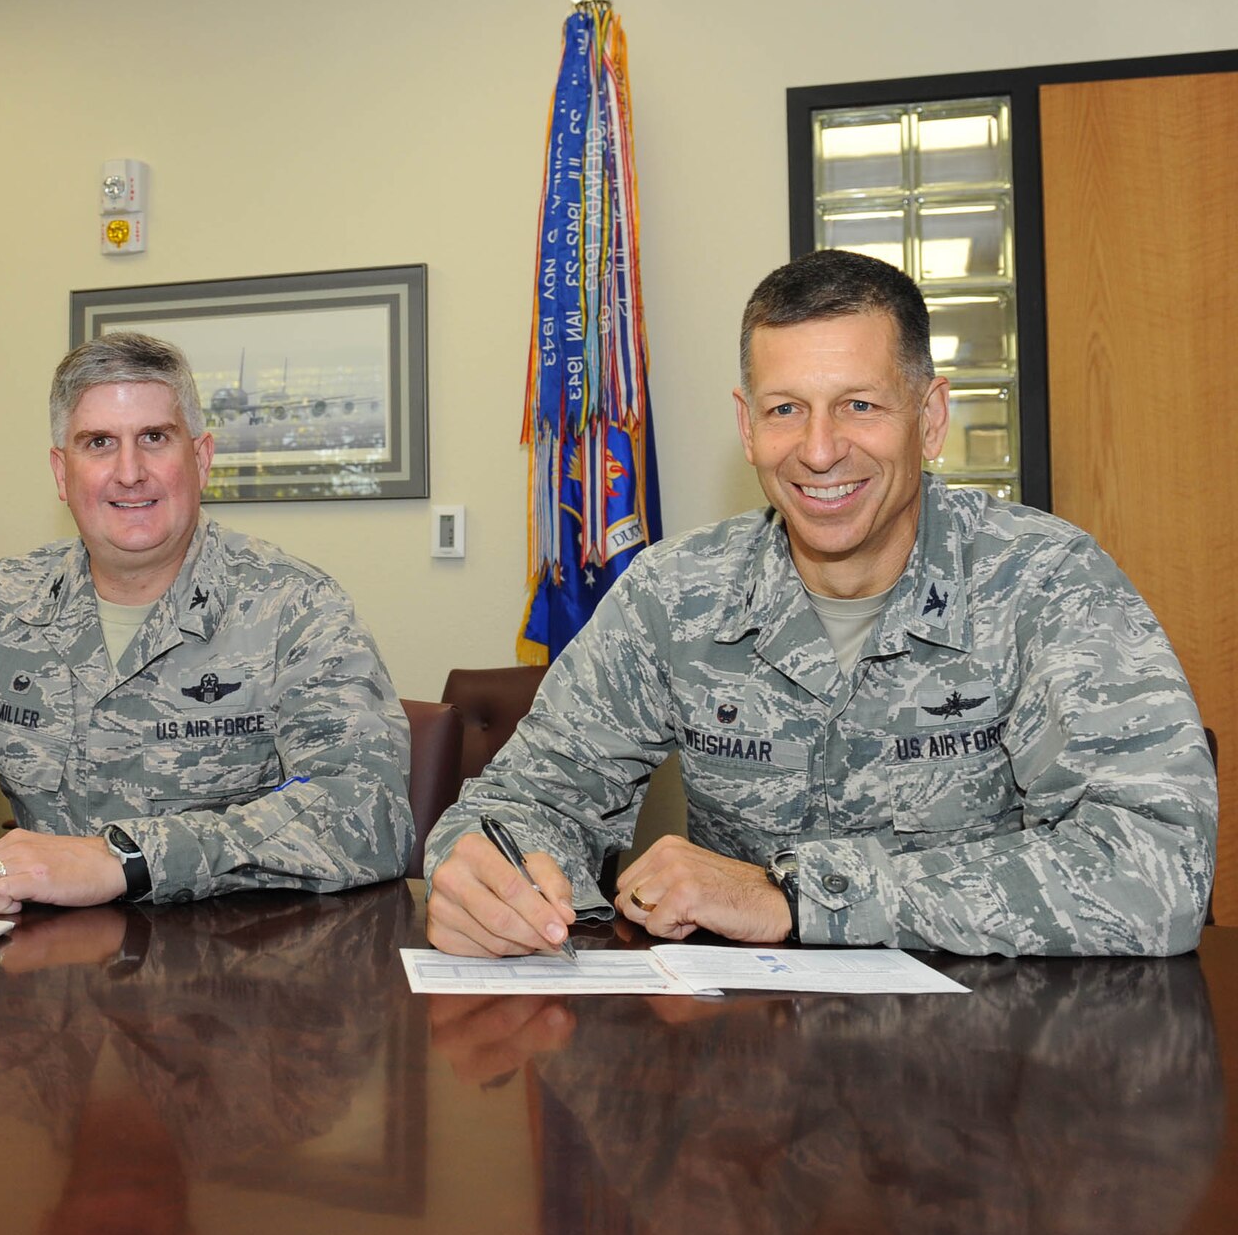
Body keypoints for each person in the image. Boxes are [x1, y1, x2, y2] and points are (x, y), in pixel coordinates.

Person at [426, 250, 1216, 957]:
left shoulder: (1046, 582)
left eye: (860, 405)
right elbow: (520, 801)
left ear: (930, 417)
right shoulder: (673, 595)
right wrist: (492, 876)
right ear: (747, 425)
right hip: (743, 1067)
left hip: (986, 1072)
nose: (819, 448)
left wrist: (798, 896)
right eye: (785, 409)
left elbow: (1158, 868)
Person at [0, 331, 411, 909]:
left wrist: (126, 858)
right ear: (61, 471)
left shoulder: (296, 610)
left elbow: (367, 810)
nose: (129, 472)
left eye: (155, 439)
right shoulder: (4, 608)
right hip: (40, 982)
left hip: (231, 985)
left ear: (202, 458)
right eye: (99, 443)